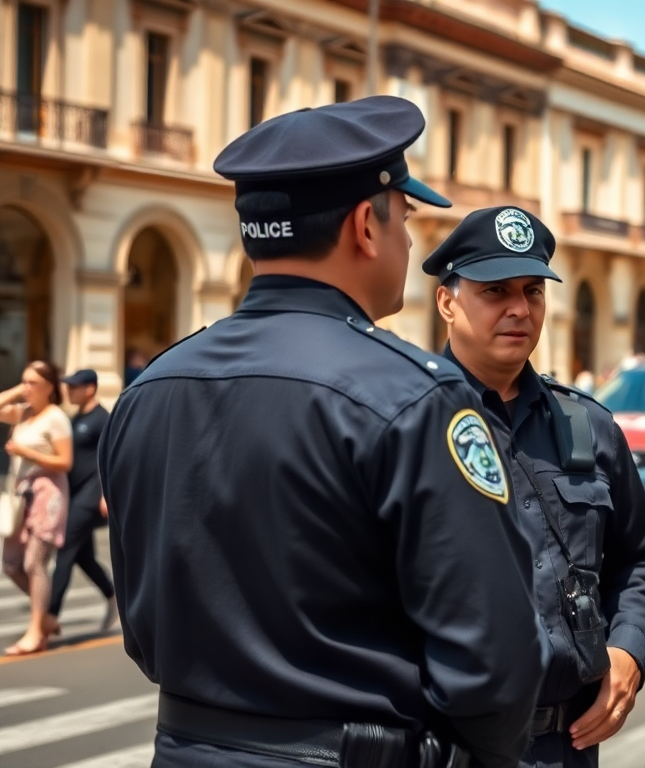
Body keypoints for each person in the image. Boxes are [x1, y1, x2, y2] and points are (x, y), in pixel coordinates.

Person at [98, 96, 543, 768]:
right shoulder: (413, 395)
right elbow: (495, 661)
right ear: (367, 225)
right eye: (406, 218)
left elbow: (144, 624)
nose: (410, 240)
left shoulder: (150, 387)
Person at [422, 206, 645, 768]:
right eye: (495, 291)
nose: (519, 309)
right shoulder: (405, 424)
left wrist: (628, 650)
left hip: (566, 745)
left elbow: (641, 560)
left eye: (533, 291)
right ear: (447, 301)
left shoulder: (587, 426)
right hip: (446, 747)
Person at [0, 360, 73, 655]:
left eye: (33, 383)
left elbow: (65, 462)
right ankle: (44, 618)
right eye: (24, 381)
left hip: (48, 495)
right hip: (21, 496)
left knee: (34, 564)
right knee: (11, 564)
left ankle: (35, 634)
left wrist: (25, 451)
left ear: (50, 388)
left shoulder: (56, 418)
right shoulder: (24, 413)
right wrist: (19, 389)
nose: (27, 388)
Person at [47, 368, 118, 633]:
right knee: (83, 556)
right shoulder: (75, 419)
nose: (69, 390)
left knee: (65, 550)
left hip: (91, 496)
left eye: (75, 386)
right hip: (75, 494)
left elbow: (112, 458)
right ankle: (113, 596)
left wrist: (105, 494)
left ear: (90, 388)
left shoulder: (102, 419)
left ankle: (49, 616)